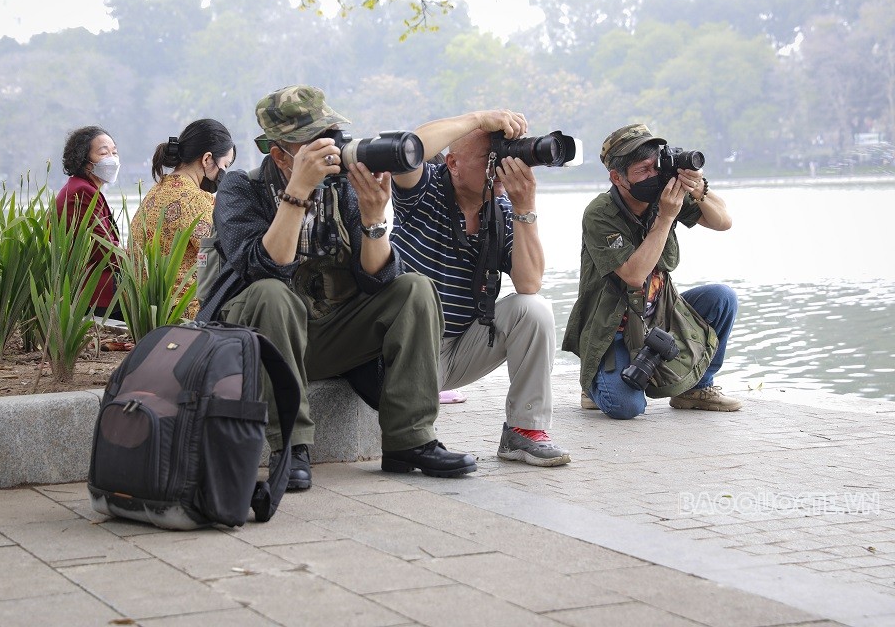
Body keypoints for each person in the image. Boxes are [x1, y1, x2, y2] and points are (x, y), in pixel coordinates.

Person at [197, 84, 477, 490]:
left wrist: (373, 216)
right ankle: (290, 446)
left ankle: (410, 441)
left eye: (330, 136)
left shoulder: (340, 186)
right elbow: (263, 267)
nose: (328, 149)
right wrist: (298, 191)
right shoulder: (241, 188)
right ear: (280, 154)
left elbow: (377, 278)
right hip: (258, 341)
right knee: (272, 294)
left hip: (326, 334)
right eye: (312, 142)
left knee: (414, 289)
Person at [391, 111, 570, 468]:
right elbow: (406, 148)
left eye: (503, 158)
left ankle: (524, 431)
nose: (499, 168)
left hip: (459, 351)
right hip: (408, 353)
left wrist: (525, 207)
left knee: (533, 309)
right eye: (490, 158)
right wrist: (479, 119)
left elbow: (529, 283)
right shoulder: (425, 189)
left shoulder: (502, 210)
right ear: (453, 163)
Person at [563, 123, 741, 420]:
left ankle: (696, 388)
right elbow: (634, 275)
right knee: (626, 408)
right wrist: (666, 218)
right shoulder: (600, 213)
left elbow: (723, 221)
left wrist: (698, 188)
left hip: (658, 312)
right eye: (642, 171)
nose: (653, 175)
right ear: (617, 177)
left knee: (722, 298)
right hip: (613, 326)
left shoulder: (663, 193)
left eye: (655, 166)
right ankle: (594, 382)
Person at [129, 119, 236, 320]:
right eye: (224, 165)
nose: (223, 174)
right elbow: (226, 256)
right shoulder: (194, 200)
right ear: (207, 159)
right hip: (185, 315)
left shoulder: (158, 189)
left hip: (147, 314)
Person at [55, 125, 123, 320]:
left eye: (114, 152)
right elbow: (103, 249)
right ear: (84, 161)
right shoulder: (82, 192)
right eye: (103, 153)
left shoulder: (83, 187)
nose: (112, 159)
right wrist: (142, 260)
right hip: (94, 289)